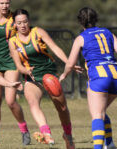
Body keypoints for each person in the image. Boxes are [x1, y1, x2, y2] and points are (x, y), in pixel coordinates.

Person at [59, 7, 117, 149]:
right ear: (96, 19)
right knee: (101, 112)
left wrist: (64, 74)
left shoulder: (81, 38)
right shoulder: (108, 32)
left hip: (100, 75)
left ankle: (99, 147)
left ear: (80, 22)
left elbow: (70, 63)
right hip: (116, 75)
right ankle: (110, 143)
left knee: (97, 115)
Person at [9, 9, 83, 149]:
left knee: (62, 108)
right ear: (15, 25)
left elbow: (55, 48)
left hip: (49, 75)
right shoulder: (13, 42)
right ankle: (46, 133)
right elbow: (19, 66)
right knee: (33, 103)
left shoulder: (38, 32)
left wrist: (69, 63)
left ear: (29, 21)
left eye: (25, 21)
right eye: (19, 23)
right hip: (31, 78)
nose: (23, 25)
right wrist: (27, 70)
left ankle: (67, 135)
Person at [0, 0, 31, 146]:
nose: (5, 6)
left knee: (10, 101)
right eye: (2, 2)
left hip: (11, 63)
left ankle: (24, 130)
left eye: (7, 2)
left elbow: (25, 34)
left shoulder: (14, 18)